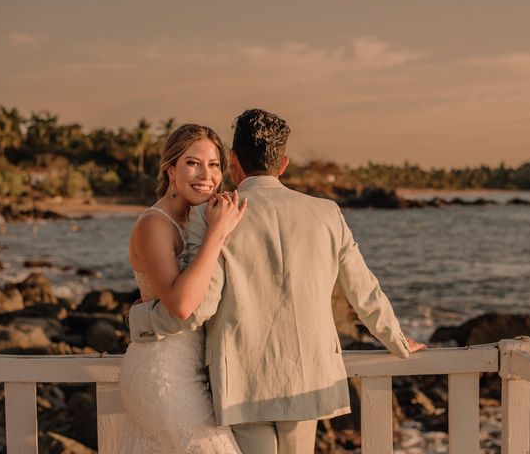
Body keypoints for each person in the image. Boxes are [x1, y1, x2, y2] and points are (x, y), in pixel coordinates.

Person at [128, 108, 426, 454]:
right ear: (282, 164)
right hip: (309, 378)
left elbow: (198, 309)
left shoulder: (213, 215)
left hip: (243, 382)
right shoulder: (327, 212)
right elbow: (364, 290)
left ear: (233, 162)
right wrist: (396, 339)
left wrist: (141, 320)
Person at [118, 124, 247, 453]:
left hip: (189, 371)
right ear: (170, 170)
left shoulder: (198, 221)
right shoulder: (154, 224)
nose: (206, 174)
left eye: (215, 164)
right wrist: (217, 235)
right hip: (161, 373)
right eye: (193, 163)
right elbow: (181, 304)